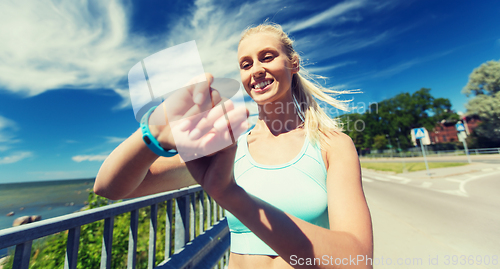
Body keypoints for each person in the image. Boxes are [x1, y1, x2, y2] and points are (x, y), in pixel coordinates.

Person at [94, 23, 373, 269]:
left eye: (267, 57)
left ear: (293, 63)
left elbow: (357, 261)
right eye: (246, 64)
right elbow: (110, 188)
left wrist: (230, 194)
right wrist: (155, 134)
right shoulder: (229, 150)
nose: (257, 70)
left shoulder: (331, 145)